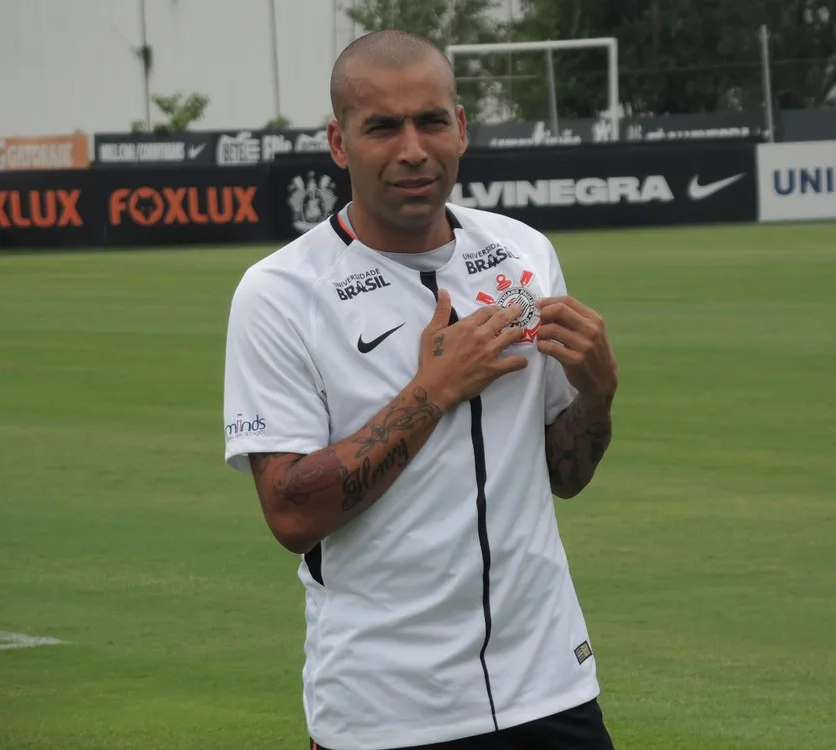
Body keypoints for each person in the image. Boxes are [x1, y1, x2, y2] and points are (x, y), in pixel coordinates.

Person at [223, 29, 619, 750]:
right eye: (382, 127)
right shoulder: (279, 293)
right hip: (387, 711)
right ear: (340, 143)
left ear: (461, 128)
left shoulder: (526, 255)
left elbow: (567, 475)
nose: (412, 149)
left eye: (431, 121)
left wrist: (597, 395)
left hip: (551, 688)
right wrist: (430, 392)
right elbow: (289, 513)